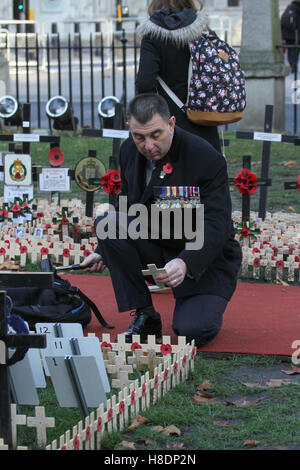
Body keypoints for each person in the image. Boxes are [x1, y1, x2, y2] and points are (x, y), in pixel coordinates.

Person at [81, 93, 242, 348]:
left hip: (203, 256)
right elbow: (126, 205)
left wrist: (187, 261)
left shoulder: (204, 158)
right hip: (158, 242)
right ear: (129, 130)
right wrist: (104, 250)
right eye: (139, 137)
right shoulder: (128, 152)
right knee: (107, 222)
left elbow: (216, 222)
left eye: (156, 134)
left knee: (192, 333)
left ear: (171, 124)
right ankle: (145, 314)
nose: (148, 146)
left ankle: (201, 303)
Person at [135, 0, 221, 152]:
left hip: (170, 124)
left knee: (172, 172)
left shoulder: (153, 36)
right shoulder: (204, 32)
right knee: (207, 170)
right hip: (205, 119)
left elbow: (145, 83)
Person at [281, 0, 300, 73]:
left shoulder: (290, 7)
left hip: (289, 35)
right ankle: (293, 68)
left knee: (291, 54)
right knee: (294, 53)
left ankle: (293, 67)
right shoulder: (297, 8)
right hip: (295, 35)